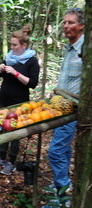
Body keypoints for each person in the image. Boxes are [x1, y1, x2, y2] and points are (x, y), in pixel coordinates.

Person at [44, 8, 85, 208]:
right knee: (63, 149)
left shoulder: (86, 48)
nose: (66, 26)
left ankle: (63, 197)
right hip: (60, 106)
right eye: (64, 23)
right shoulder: (70, 47)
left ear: (82, 25)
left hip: (74, 110)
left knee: (56, 151)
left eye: (70, 23)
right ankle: (63, 187)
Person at [0, 25, 40, 175]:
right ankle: (1, 157)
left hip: (20, 102)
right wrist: (1, 69)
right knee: (2, 129)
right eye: (11, 44)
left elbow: (32, 83)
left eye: (14, 45)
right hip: (4, 100)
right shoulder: (9, 57)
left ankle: (11, 161)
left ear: (23, 45)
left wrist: (16, 73)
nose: (11, 47)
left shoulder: (32, 61)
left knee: (15, 132)